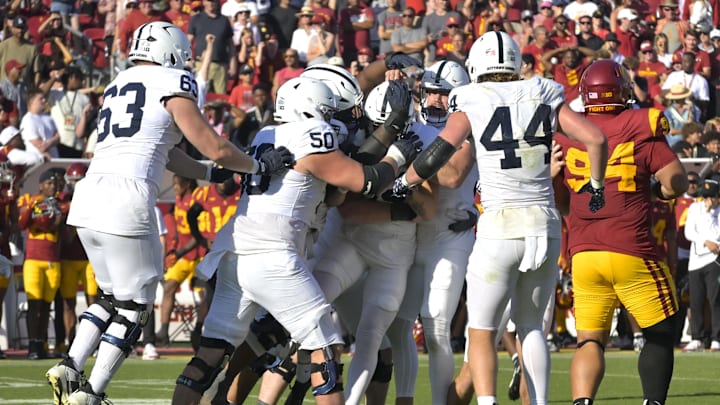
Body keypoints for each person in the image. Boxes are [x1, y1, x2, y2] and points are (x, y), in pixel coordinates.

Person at [45, 21, 293, 405]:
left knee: (110, 297)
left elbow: (168, 150)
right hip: (125, 200)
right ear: (171, 51)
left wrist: (210, 175)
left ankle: (70, 364)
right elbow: (213, 145)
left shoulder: (119, 81)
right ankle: (90, 393)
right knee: (135, 307)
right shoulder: (172, 82)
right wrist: (257, 166)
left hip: (88, 198)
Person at [171, 76, 422, 405]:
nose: (331, 120)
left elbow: (332, 196)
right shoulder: (312, 135)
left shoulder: (266, 134)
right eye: (326, 112)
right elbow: (365, 181)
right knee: (325, 351)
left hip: (235, 251)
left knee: (210, 355)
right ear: (310, 111)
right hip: (273, 254)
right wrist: (397, 157)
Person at [393, 31, 608, 405]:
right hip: (544, 223)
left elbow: (440, 152)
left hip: (498, 226)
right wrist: (596, 184)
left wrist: (404, 181)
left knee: (481, 331)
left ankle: (488, 402)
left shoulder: (472, 97)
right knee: (532, 329)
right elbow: (596, 139)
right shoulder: (543, 91)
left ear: (477, 65)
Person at [554, 60, 687, 405]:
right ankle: (653, 401)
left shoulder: (569, 133)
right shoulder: (639, 124)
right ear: (622, 91)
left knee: (589, 340)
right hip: (631, 247)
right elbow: (677, 181)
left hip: (583, 252)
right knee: (660, 332)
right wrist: (658, 191)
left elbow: (563, 202)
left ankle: (582, 402)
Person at [682, 178, 720, 352]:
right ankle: (697, 337)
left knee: (715, 299)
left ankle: (716, 338)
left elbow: (716, 232)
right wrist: (705, 241)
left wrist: (711, 214)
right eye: (704, 196)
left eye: (710, 197)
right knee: (696, 300)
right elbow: (689, 232)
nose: (706, 201)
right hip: (696, 261)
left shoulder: (718, 212)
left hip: (714, 260)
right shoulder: (694, 208)